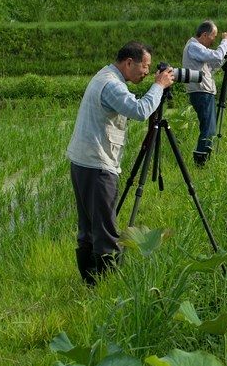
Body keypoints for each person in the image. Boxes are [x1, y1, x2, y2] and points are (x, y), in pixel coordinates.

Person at [66, 41, 175, 285]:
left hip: (83, 162)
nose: (146, 73)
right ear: (129, 62)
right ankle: (105, 286)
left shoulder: (105, 75)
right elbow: (139, 110)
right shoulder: (112, 85)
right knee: (104, 233)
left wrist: (156, 87)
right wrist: (159, 86)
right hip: (97, 165)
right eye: (144, 67)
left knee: (88, 230)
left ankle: (89, 284)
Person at [182, 20, 227, 167]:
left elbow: (211, 66)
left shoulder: (196, 49)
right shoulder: (193, 47)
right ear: (204, 34)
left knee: (209, 127)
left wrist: (225, 53)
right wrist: (225, 42)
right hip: (201, 92)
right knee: (209, 129)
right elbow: (215, 56)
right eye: (213, 37)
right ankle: (201, 164)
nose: (214, 40)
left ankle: (203, 161)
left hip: (204, 91)